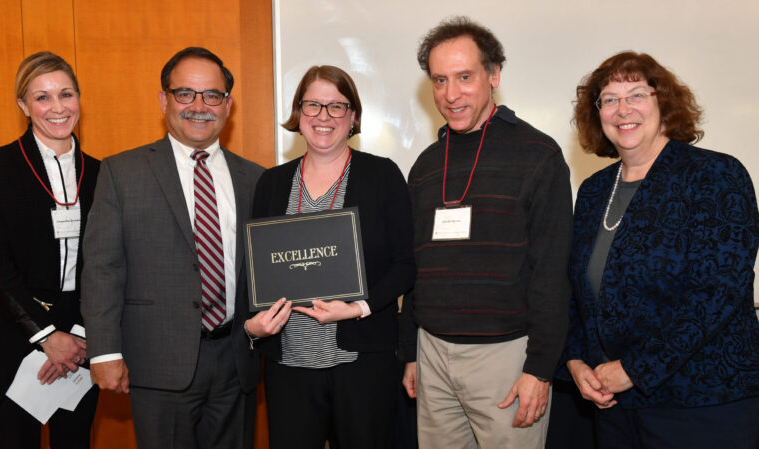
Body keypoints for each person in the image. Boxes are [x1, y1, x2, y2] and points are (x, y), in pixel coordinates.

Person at [560, 51, 759, 449]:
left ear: (663, 102)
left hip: (703, 402)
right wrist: (576, 359)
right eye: (609, 99)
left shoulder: (715, 174)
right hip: (614, 404)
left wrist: (636, 368)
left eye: (636, 94)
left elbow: (719, 292)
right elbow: (580, 290)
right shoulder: (594, 190)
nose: (622, 109)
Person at [399, 16, 573, 449]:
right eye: (439, 80)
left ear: (493, 75)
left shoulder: (539, 156)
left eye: (464, 77)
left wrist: (540, 369)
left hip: (507, 359)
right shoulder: (424, 166)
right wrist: (411, 353)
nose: (450, 94)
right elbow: (415, 269)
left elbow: (552, 273)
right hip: (433, 353)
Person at [80, 47, 264, 449]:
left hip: (237, 361)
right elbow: (100, 268)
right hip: (157, 362)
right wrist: (103, 352)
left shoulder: (255, 179)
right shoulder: (121, 173)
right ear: (164, 100)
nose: (199, 106)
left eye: (212, 95)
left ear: (228, 105)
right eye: (185, 94)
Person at [243, 65, 416, 449]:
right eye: (313, 105)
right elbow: (255, 269)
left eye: (336, 107)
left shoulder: (382, 176)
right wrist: (253, 325)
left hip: (361, 361)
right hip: (288, 363)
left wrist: (357, 308)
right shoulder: (271, 183)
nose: (323, 117)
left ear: (352, 116)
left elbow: (406, 264)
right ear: (298, 113)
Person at [0, 51, 100, 449]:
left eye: (66, 94)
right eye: (42, 97)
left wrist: (77, 335)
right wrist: (46, 336)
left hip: (82, 338)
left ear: (79, 99)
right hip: (11, 333)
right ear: (23, 105)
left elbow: (108, 263)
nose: (58, 108)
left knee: (74, 442)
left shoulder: (101, 173)